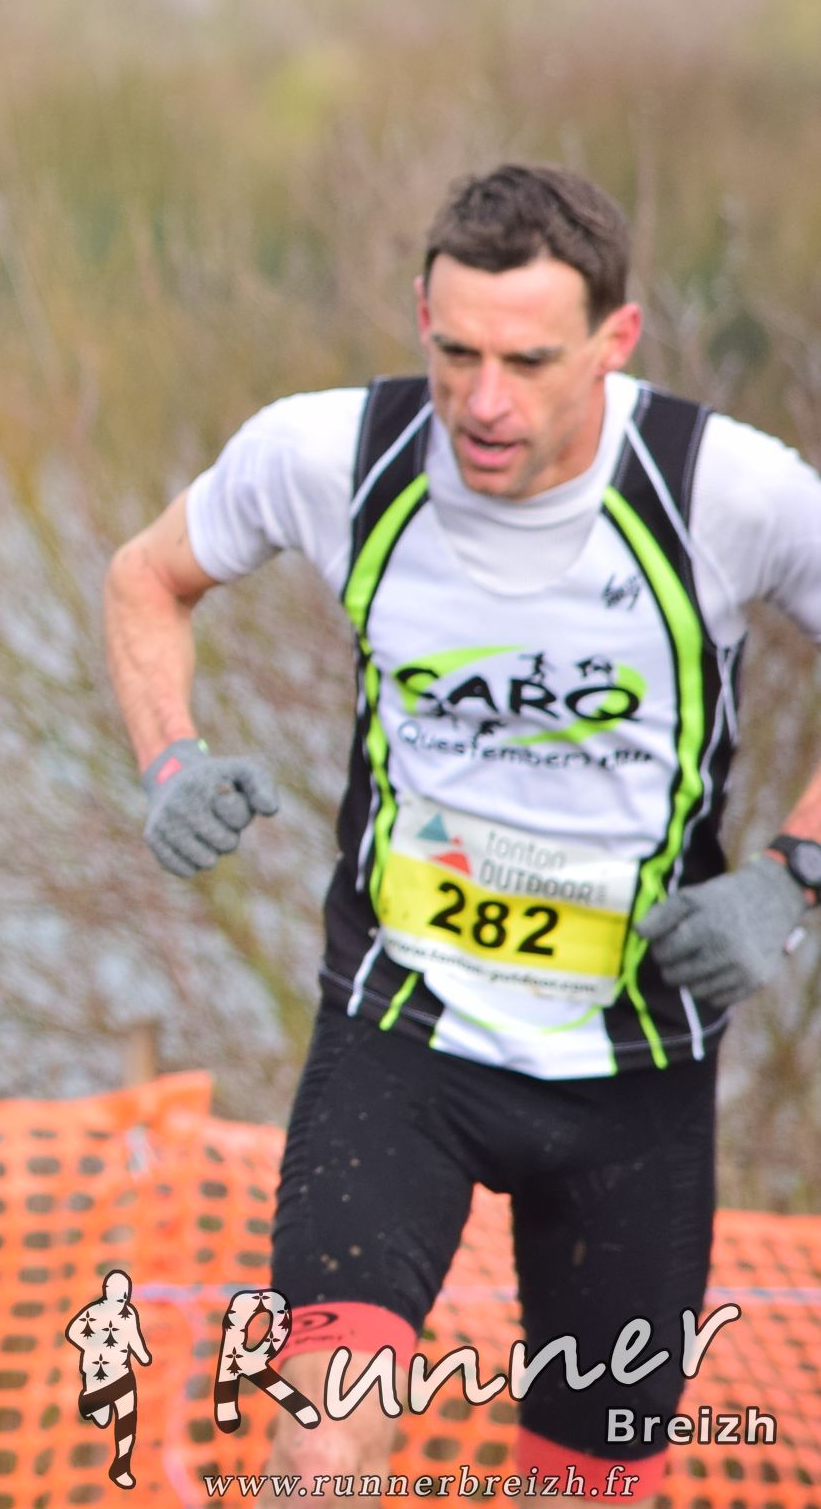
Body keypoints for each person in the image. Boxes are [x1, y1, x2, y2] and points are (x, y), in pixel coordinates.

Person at [102, 166, 821, 1487]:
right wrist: (171, 759)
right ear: (422, 319)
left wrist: (792, 873)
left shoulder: (725, 488)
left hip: (635, 1065)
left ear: (616, 340)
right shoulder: (331, 455)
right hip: (401, 1038)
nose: (485, 403)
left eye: (528, 363)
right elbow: (145, 577)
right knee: (323, 1450)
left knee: (585, 1484)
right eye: (457, 355)